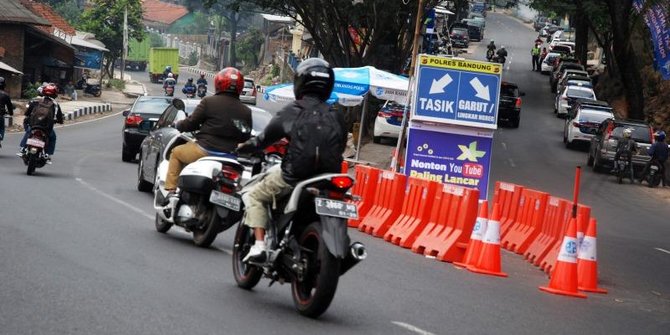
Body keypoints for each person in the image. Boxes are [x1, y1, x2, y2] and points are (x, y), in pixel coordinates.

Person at [236, 58, 347, 262]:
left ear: (300, 82)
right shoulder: (337, 115)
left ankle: (260, 246)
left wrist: (244, 147)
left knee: (254, 195)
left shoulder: (292, 110)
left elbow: (264, 139)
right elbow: (340, 147)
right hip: (328, 178)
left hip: (293, 176)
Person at [163, 67, 252, 198]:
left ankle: (171, 192)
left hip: (204, 150)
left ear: (218, 84)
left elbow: (191, 123)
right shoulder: (246, 110)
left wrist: (179, 124)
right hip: (230, 156)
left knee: (176, 153)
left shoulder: (208, 102)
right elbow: (245, 135)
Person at [18, 84, 63, 162]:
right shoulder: (55, 105)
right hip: (46, 128)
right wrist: (60, 121)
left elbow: (27, 113)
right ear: (55, 94)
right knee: (53, 137)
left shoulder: (35, 101)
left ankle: (23, 148)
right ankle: (47, 153)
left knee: (28, 132)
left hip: (34, 125)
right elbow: (59, 117)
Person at [0, 76, 15, 148]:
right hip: (0, 115)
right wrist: (11, 113)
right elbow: (9, 106)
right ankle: (0, 136)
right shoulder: (5, 95)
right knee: (2, 128)